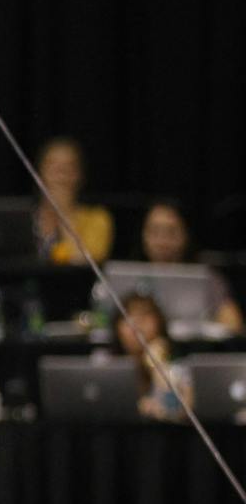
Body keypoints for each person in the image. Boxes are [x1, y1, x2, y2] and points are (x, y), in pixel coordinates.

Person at [136, 199, 243, 333]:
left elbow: (234, 323)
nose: (162, 240)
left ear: (185, 235)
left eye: (171, 232)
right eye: (155, 231)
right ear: (143, 235)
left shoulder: (207, 278)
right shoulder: (127, 277)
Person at [32, 136, 113, 264]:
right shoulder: (26, 218)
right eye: (53, 166)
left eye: (68, 167)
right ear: (39, 173)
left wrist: (64, 215)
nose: (60, 175)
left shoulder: (97, 219)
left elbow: (87, 266)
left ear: (80, 175)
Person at [120, 293, 192, 421]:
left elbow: (181, 409)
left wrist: (158, 364)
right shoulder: (104, 363)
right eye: (128, 316)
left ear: (160, 322)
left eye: (144, 316)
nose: (136, 324)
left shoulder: (177, 367)